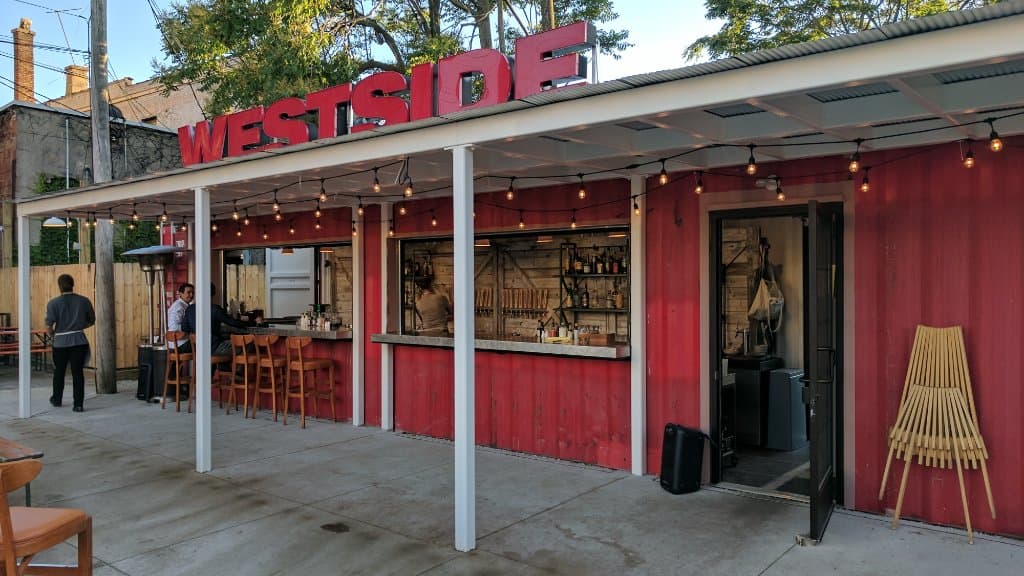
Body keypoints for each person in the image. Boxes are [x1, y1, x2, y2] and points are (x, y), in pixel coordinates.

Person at [45, 274, 95, 412]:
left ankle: (57, 399)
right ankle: (78, 404)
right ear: (73, 284)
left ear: (59, 286)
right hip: (79, 341)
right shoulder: (84, 301)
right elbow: (91, 320)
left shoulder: (53, 303)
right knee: (78, 373)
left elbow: (49, 325)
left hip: (60, 342)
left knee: (59, 372)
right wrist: (79, 327)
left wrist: (53, 334)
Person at [181, 283, 248, 355]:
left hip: (198, 349)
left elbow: (184, 328)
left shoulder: (190, 309)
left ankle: (223, 366)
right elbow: (233, 322)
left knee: (226, 339)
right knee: (248, 343)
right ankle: (236, 366)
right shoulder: (215, 309)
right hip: (214, 348)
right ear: (213, 294)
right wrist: (252, 323)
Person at [167, 283, 194, 352]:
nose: (191, 295)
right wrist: (189, 329)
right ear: (181, 294)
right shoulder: (179, 306)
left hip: (175, 344)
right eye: (188, 292)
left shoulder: (183, 305)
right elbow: (174, 326)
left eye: (192, 292)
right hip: (179, 345)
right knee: (205, 344)